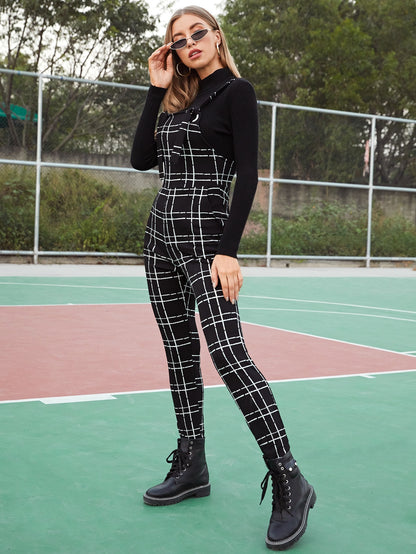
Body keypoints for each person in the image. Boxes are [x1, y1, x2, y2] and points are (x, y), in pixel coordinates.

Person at [130, 5, 316, 550]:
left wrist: (228, 251)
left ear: (216, 37)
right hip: (160, 239)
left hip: (207, 241)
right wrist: (155, 89)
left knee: (230, 357)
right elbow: (141, 159)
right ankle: (192, 463)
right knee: (178, 352)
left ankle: (290, 480)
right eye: (179, 39)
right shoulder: (175, 100)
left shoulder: (237, 92)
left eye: (198, 33)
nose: (190, 43)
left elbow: (249, 174)